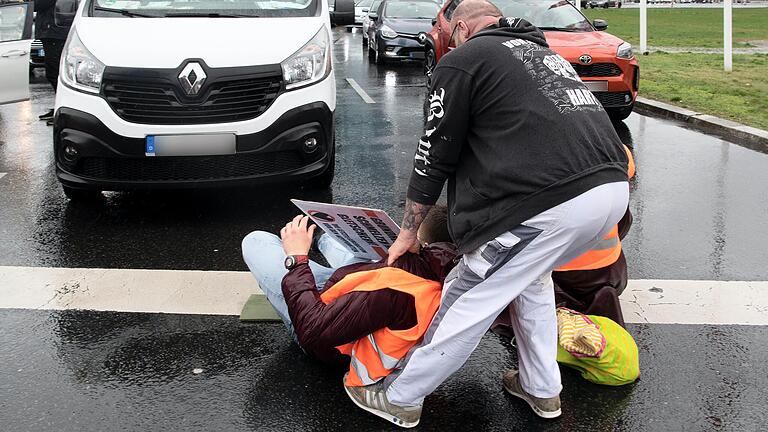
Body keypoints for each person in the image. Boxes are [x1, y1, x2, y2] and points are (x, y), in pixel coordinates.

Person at [344, 2, 631, 427]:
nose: (435, 39)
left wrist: (409, 231)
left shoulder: (463, 60)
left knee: (468, 291)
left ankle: (401, 396)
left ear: (459, 27)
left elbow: (433, 155)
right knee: (531, 283)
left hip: (550, 204)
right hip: (609, 189)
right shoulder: (542, 55)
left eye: (439, 30)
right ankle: (541, 388)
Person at [240, 207, 457, 369]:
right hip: (356, 291)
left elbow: (313, 330)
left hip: (325, 318)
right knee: (342, 245)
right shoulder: (449, 270)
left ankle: (313, 245)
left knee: (256, 241)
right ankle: (321, 240)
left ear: (422, 244)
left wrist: (297, 260)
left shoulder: (394, 288)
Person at [495, 145, 636, 330]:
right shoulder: (614, 144)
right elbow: (624, 217)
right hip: (613, 272)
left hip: (561, 279)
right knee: (617, 201)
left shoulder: (530, 150)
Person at [34, 0, 71, 125]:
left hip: (55, 33)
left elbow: (37, 5)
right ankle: (58, 107)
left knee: (54, 74)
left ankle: (63, 111)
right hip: (51, 32)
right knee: (53, 73)